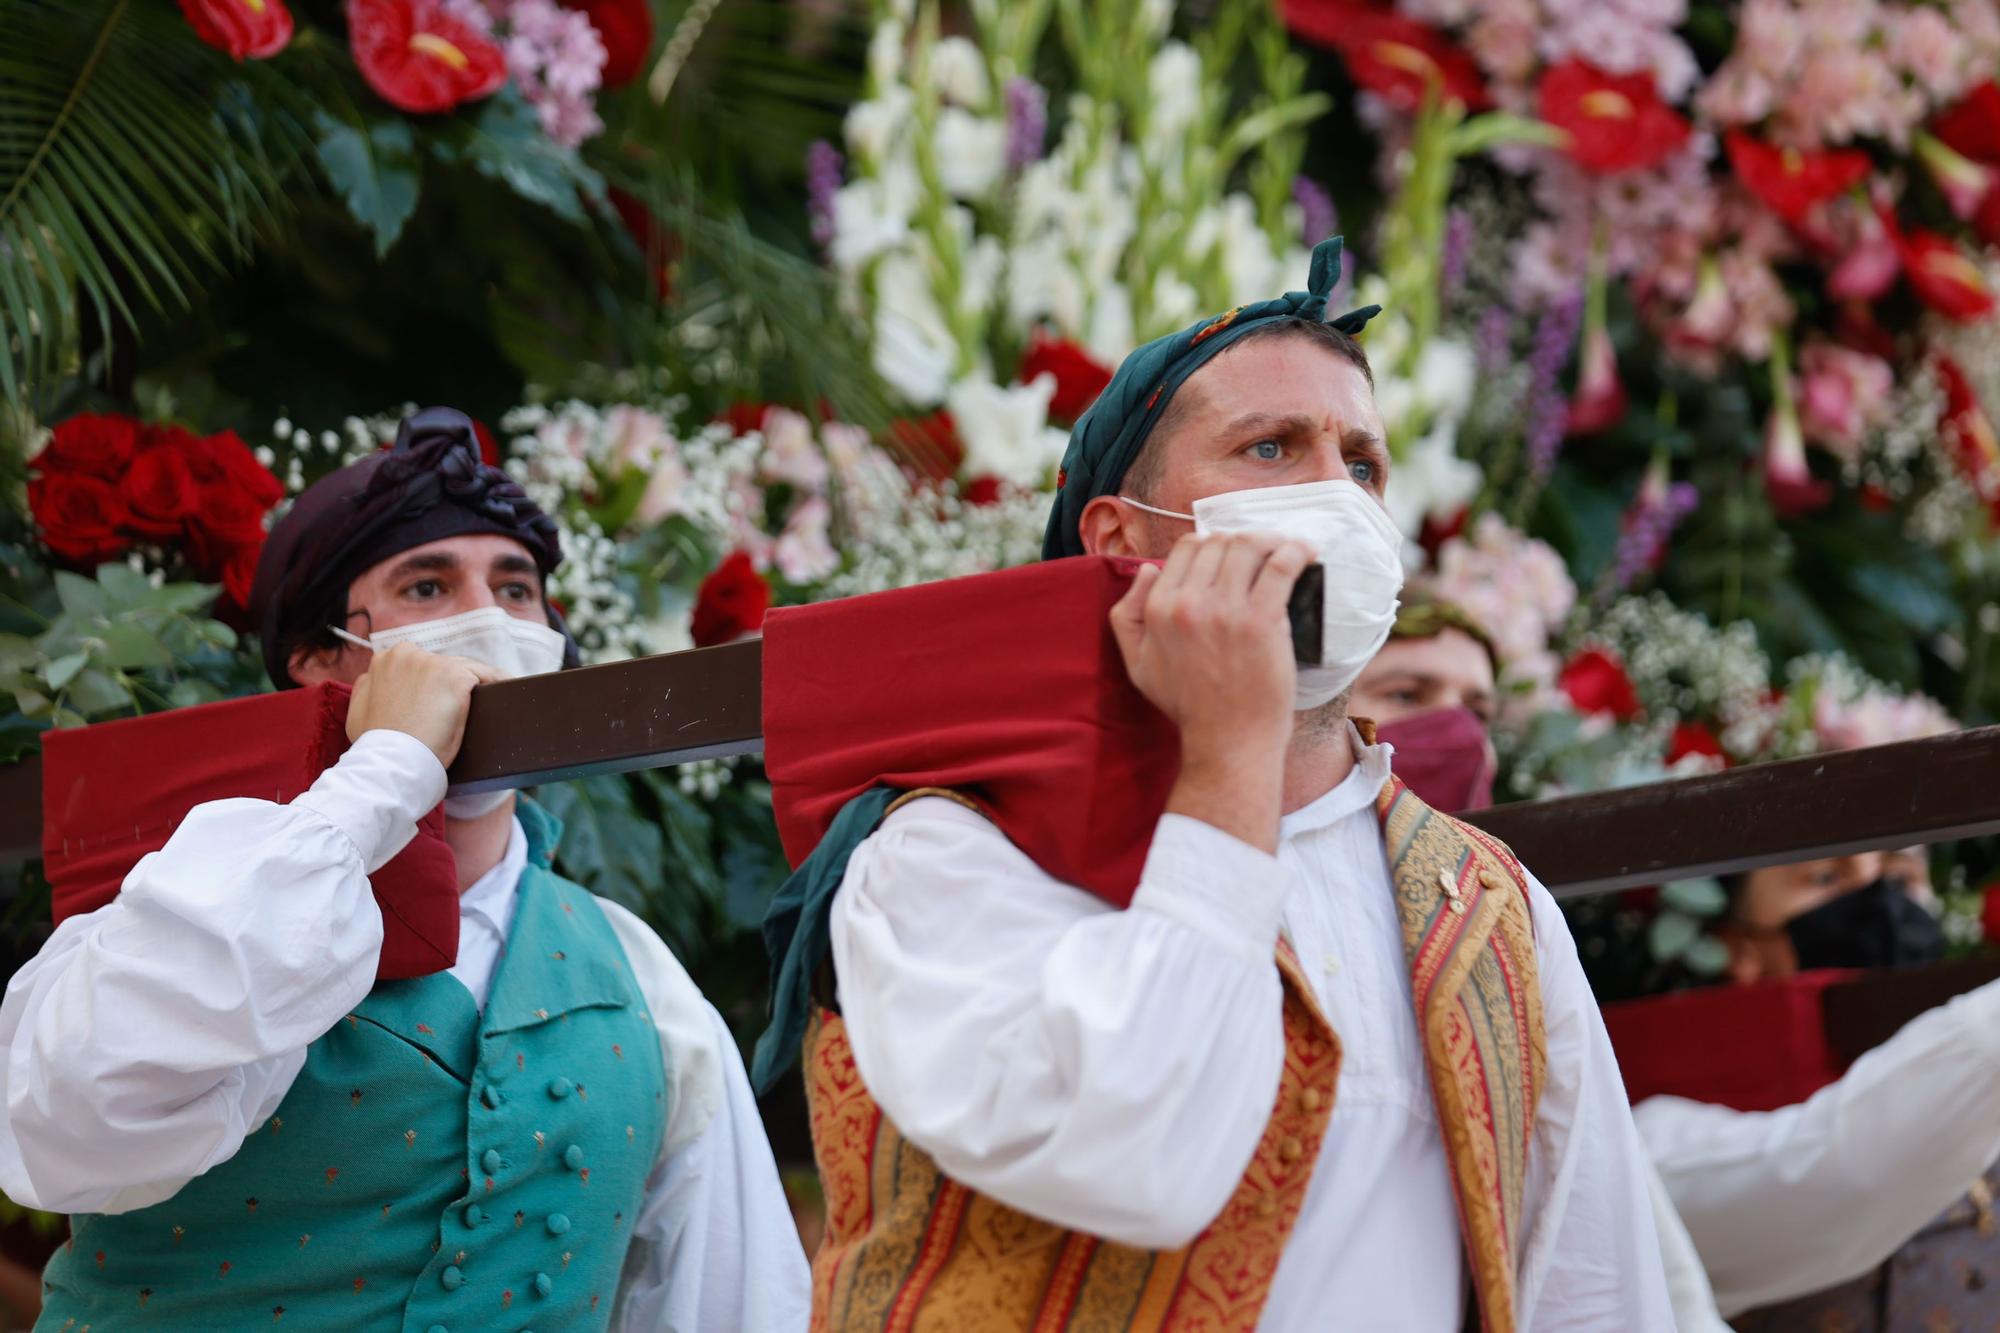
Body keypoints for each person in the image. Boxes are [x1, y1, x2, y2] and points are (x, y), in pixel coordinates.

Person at [768, 239, 1674, 1331]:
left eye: (1363, 463)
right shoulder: (946, 842)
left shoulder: (1490, 905)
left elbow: (1596, 1293)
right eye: (1270, 447)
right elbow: (1140, 1159)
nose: (1334, 495)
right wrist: (1229, 748)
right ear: (1120, 537)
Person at [0, 409, 809, 1330]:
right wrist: (385, 774)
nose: (487, 620)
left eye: (517, 588)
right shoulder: (189, 883)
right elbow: (64, 1123)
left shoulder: (639, 972)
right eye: (427, 585)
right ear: (316, 662)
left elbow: (736, 1302)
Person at [1354, 597, 2000, 1330]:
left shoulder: (1529, 954)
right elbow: (1835, 1164)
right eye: (1409, 695)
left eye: (1479, 708)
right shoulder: (1665, 1130)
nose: (1460, 733)